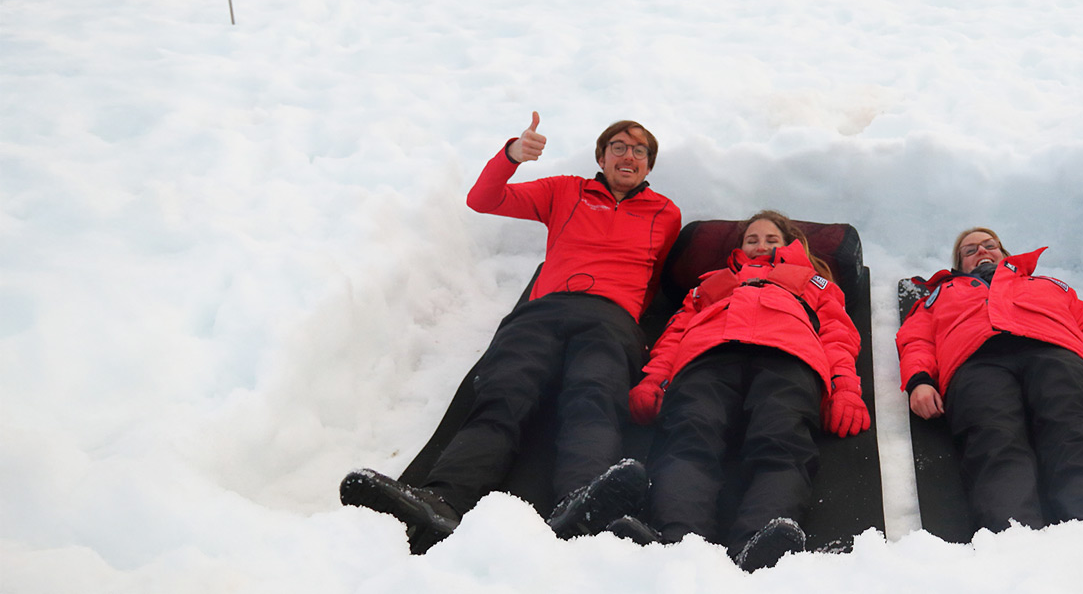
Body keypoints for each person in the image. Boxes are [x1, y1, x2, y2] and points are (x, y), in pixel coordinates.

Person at [340, 113, 683, 548]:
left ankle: (582, 502)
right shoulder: (565, 190)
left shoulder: (665, 212)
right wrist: (511, 156)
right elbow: (484, 199)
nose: (628, 155)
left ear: (648, 166)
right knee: (503, 394)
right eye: (618, 146)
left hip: (610, 319)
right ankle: (443, 498)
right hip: (544, 311)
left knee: (594, 399)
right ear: (601, 157)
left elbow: (653, 277)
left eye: (639, 150)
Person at [627, 211, 870, 570]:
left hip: (788, 357)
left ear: (788, 244)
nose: (760, 245)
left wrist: (845, 390)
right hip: (707, 357)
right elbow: (674, 335)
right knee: (689, 437)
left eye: (771, 239)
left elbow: (838, 337)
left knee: (781, 442)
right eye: (751, 239)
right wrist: (655, 380)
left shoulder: (812, 281)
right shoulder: (710, 283)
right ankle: (679, 539)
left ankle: (759, 543)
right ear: (739, 247)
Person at [896, 227, 1083, 533]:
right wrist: (920, 380)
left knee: (1072, 436)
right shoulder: (940, 295)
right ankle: (1013, 539)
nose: (980, 251)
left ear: (1003, 253)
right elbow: (916, 339)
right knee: (995, 444)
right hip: (976, 363)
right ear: (959, 265)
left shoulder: (1050, 285)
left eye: (989, 245)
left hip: (1056, 354)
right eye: (969, 250)